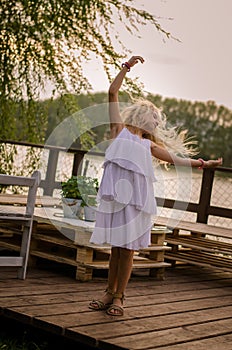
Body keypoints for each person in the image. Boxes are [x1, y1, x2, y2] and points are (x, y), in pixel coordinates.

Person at [88, 55, 222, 316]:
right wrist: (127, 66)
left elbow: (177, 160)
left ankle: (120, 297)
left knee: (127, 250)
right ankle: (108, 292)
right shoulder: (119, 131)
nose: (157, 123)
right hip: (117, 200)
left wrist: (202, 164)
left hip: (137, 202)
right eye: (155, 118)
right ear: (142, 116)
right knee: (116, 248)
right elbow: (113, 91)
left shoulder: (149, 145)